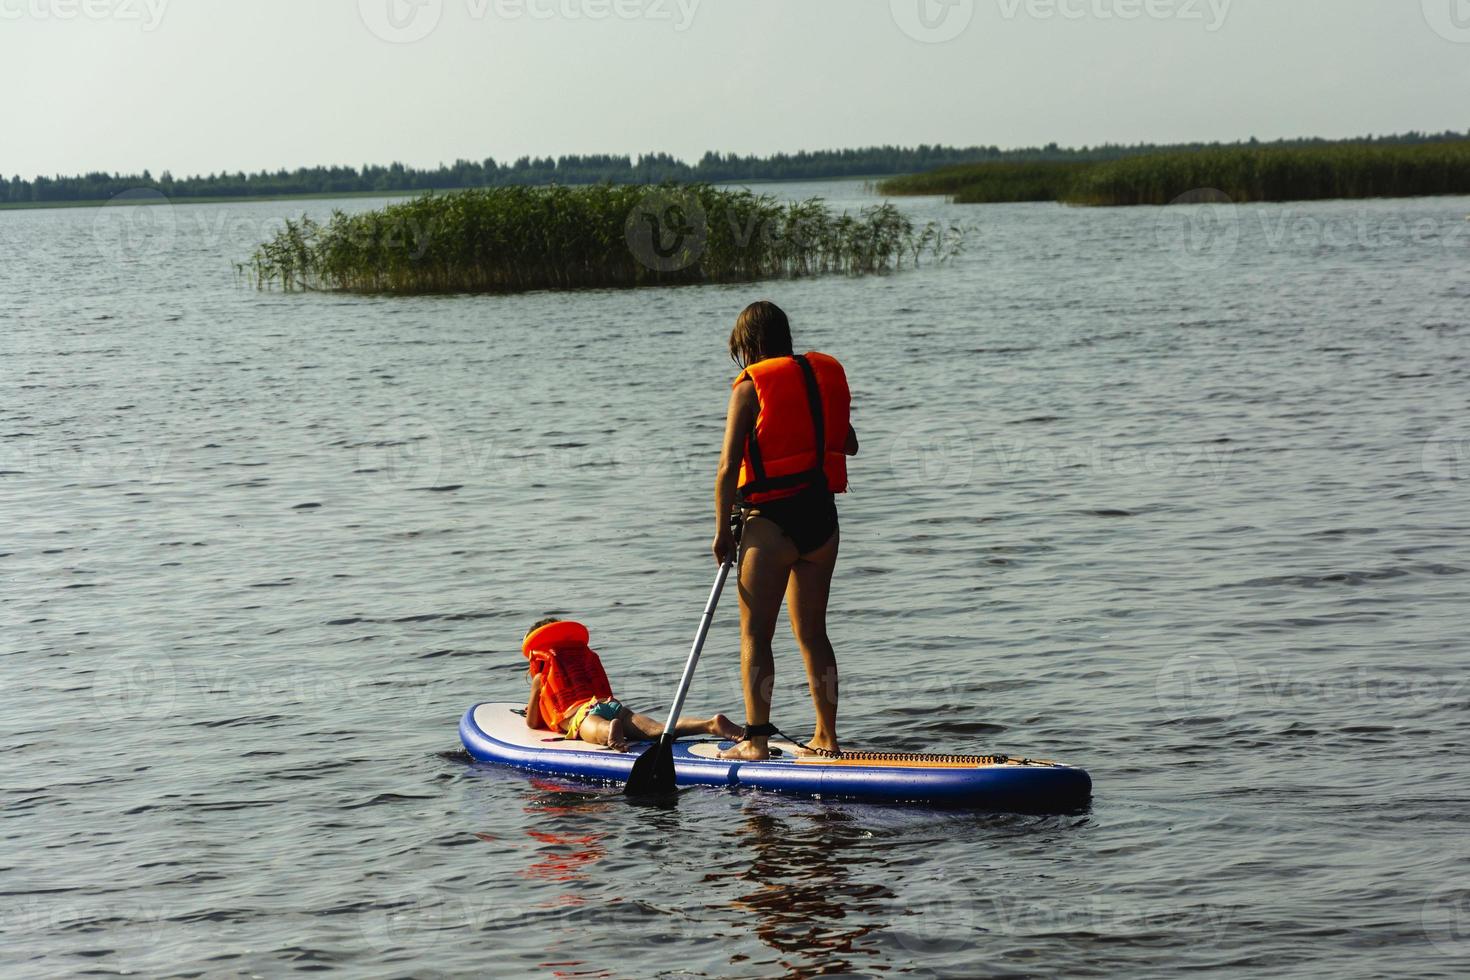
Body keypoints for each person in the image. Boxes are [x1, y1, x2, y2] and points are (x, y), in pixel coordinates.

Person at [711, 301, 858, 761]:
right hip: (822, 522)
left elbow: (726, 468)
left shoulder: (750, 388)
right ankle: (826, 739)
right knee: (813, 633)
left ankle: (755, 741)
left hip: (770, 524)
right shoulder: (817, 377)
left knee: (756, 634)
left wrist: (721, 533)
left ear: (750, 345)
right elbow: (847, 443)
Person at [522, 617, 742, 752]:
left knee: (595, 730)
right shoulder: (583, 659)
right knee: (657, 730)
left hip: (583, 715)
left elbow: (533, 723)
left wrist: (534, 693)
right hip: (611, 705)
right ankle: (710, 724)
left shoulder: (543, 677)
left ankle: (609, 731)